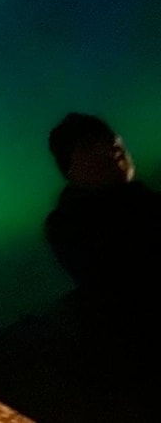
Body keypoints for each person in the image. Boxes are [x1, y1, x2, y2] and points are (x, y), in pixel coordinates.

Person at [43, 113, 161, 420]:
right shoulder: (71, 224)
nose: (112, 152)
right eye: (90, 147)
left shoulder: (144, 202)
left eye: (113, 142)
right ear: (70, 165)